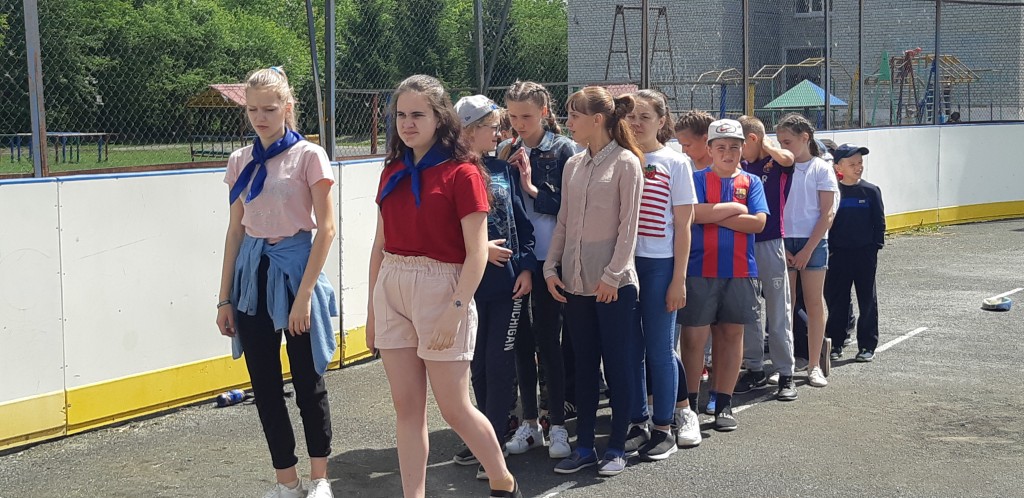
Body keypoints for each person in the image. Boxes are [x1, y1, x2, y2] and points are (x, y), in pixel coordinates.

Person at [366, 75, 521, 498]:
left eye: (418, 114)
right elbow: (379, 246)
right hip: (392, 285)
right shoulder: (392, 170)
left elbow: (476, 252)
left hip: (443, 288)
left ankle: (502, 480)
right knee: (406, 409)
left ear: (440, 118)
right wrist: (372, 312)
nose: (407, 123)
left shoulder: (463, 172)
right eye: (401, 114)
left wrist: (456, 309)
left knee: (454, 408)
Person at [216, 67, 338, 498]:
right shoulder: (239, 160)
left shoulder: (309, 155)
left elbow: (326, 229)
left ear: (287, 107)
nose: (260, 118)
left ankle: (320, 478)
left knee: (308, 382)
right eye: (252, 110)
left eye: (269, 109)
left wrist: (304, 297)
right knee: (265, 385)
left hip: (295, 272)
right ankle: (287, 481)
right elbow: (235, 230)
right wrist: (224, 299)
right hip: (252, 275)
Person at [546, 86, 643, 477]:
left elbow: (628, 228)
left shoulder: (626, 163)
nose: (569, 122)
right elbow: (564, 223)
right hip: (575, 284)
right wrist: (551, 267)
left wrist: (612, 276)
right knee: (584, 366)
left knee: (618, 366)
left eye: (575, 115)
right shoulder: (573, 165)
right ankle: (584, 446)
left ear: (597, 119)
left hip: (614, 288)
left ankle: (617, 447)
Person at [452, 95, 537, 480]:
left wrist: (527, 268)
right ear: (470, 130)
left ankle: (495, 441)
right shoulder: (449, 170)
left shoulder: (502, 169)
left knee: (499, 362)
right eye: (492, 127)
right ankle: (484, 436)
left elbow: (524, 226)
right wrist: (479, 249)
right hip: (467, 285)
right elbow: (442, 231)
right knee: (478, 364)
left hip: (508, 285)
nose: (499, 133)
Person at [500, 81, 578, 460]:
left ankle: (557, 423)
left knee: (549, 342)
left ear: (544, 112)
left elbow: (573, 206)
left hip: (553, 260)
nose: (519, 124)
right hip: (519, 261)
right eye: (513, 116)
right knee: (520, 343)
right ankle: (529, 422)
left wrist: (532, 189)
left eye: (527, 116)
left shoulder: (564, 149)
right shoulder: (506, 149)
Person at [621, 89, 701, 461]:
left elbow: (683, 226)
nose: (636, 123)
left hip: (659, 265)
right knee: (629, 349)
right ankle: (638, 421)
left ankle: (663, 427)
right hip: (625, 266)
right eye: (631, 116)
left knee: (659, 349)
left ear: (661, 121)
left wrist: (678, 278)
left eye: (645, 117)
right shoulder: (621, 156)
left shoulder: (676, 162)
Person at [678, 119, 768, 433]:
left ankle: (723, 403)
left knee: (731, 336)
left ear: (743, 148)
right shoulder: (696, 179)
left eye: (734, 147)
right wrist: (734, 208)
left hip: (741, 270)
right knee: (693, 340)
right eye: (721, 147)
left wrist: (713, 215)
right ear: (710, 149)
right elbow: (692, 214)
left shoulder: (751, 182)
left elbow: (758, 223)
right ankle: (688, 405)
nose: (728, 153)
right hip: (699, 269)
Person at [735, 116, 799, 402]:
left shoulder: (776, 163)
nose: (737, 150)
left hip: (770, 242)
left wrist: (767, 145)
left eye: (741, 143)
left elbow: (788, 158)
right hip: (743, 243)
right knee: (749, 310)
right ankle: (755, 368)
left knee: (778, 309)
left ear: (752, 139)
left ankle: (785, 372)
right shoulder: (741, 166)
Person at [775, 113, 839, 387]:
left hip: (813, 242)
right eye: (780, 142)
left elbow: (827, 214)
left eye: (787, 141)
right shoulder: (780, 168)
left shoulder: (821, 168)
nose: (783, 147)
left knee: (814, 303)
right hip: (783, 240)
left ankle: (814, 365)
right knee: (785, 307)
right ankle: (785, 365)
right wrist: (781, 243)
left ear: (805, 138)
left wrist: (807, 249)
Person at [825, 144, 885, 362]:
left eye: (860, 163)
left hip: (864, 256)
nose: (858, 167)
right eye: (852, 164)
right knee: (837, 301)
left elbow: (879, 223)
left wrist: (873, 248)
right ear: (838, 166)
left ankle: (867, 345)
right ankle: (835, 342)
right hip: (838, 256)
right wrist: (831, 250)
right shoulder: (833, 192)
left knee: (867, 300)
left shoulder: (871, 191)